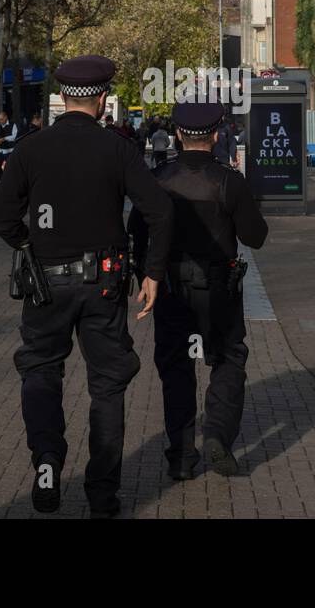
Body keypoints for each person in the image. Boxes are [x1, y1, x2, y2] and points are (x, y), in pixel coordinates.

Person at [0, 55, 174, 518]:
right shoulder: (118, 149)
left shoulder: (31, 149)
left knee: (41, 371)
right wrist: (151, 272)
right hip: (104, 283)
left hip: (46, 286)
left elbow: (1, 217)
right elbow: (160, 210)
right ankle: (103, 496)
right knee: (108, 386)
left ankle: (48, 460)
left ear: (62, 98)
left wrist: (29, 244)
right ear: (103, 97)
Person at [128, 102, 268, 481]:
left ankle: (181, 455)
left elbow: (137, 235)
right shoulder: (227, 181)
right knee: (227, 358)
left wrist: (147, 276)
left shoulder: (156, 180)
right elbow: (256, 236)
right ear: (216, 135)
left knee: (176, 368)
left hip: (171, 287)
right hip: (218, 287)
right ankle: (218, 434)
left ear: (177, 135)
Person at [0, 110, 18, 179]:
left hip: (9, 151)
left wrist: (4, 139)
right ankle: (2, 179)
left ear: (6, 117)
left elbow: (14, 136)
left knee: (10, 167)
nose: (0, 121)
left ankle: (9, 180)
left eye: (1, 119)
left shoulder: (13, 124)